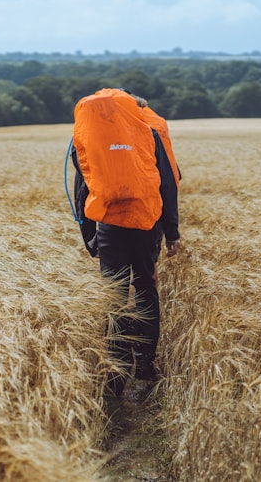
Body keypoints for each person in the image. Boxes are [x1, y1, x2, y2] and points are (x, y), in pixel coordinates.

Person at [71, 88, 181, 400]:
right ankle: (145, 367)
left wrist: (90, 236)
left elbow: (83, 189)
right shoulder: (148, 134)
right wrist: (171, 232)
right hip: (146, 223)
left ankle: (116, 374)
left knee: (115, 294)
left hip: (109, 226)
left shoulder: (92, 138)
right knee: (145, 285)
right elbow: (167, 184)